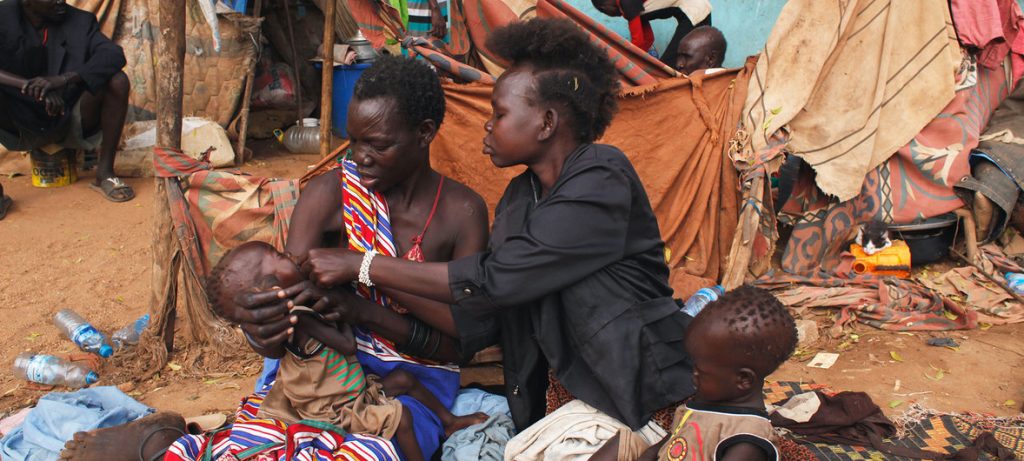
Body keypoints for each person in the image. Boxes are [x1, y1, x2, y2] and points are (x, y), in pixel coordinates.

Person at [300, 17, 695, 458]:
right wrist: (362, 306)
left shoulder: (601, 176)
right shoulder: (519, 200)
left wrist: (364, 265)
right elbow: (480, 316)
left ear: (546, 123)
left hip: (639, 391)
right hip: (564, 401)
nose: (487, 127)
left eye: (499, 114)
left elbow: (497, 279)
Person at [206, 55, 491, 461]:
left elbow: (457, 344)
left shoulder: (461, 213)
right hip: (318, 376)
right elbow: (284, 310)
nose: (359, 156)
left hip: (413, 381)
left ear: (424, 133)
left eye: (378, 144)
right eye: (353, 140)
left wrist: (362, 289)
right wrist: (262, 328)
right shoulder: (330, 194)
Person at [201, 242, 487, 461]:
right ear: (274, 289)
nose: (290, 254)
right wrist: (344, 310)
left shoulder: (301, 307)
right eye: (279, 257)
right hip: (334, 408)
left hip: (350, 388)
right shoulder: (302, 321)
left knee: (404, 379)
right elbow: (347, 346)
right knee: (402, 418)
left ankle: (448, 423)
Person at [594, 285, 794, 461]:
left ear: (743, 379)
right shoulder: (706, 402)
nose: (693, 374)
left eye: (700, 370)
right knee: (621, 445)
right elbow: (671, 440)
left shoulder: (747, 441)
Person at [0, 0, 135, 218]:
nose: (61, 1)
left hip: (68, 116)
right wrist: (31, 87)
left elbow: (113, 55)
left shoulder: (80, 21)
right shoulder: (3, 16)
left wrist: (62, 80)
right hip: (19, 120)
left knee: (117, 80)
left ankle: (105, 173)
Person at [590, 0, 710, 67]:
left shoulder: (627, 4)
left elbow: (638, 42)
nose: (608, 14)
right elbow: (647, 39)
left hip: (694, 11)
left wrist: (624, 63)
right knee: (696, 63)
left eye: (603, 11)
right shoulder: (634, 6)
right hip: (698, 10)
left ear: (605, 6)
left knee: (667, 67)